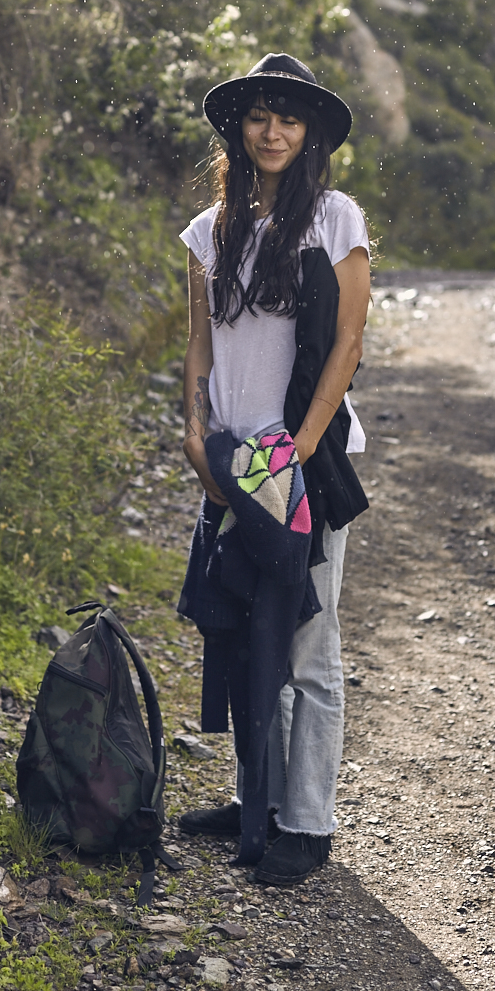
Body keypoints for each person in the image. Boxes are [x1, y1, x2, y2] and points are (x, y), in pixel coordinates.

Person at [176, 51, 371, 886]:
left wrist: (293, 452)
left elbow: (349, 346)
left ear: (311, 132)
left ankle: (309, 823)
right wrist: (195, 434)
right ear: (238, 127)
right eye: (259, 115)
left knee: (305, 641)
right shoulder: (208, 231)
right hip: (229, 458)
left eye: (289, 117)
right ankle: (254, 799)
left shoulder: (335, 220)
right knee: (241, 628)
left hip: (300, 462)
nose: (273, 130)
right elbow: (198, 344)